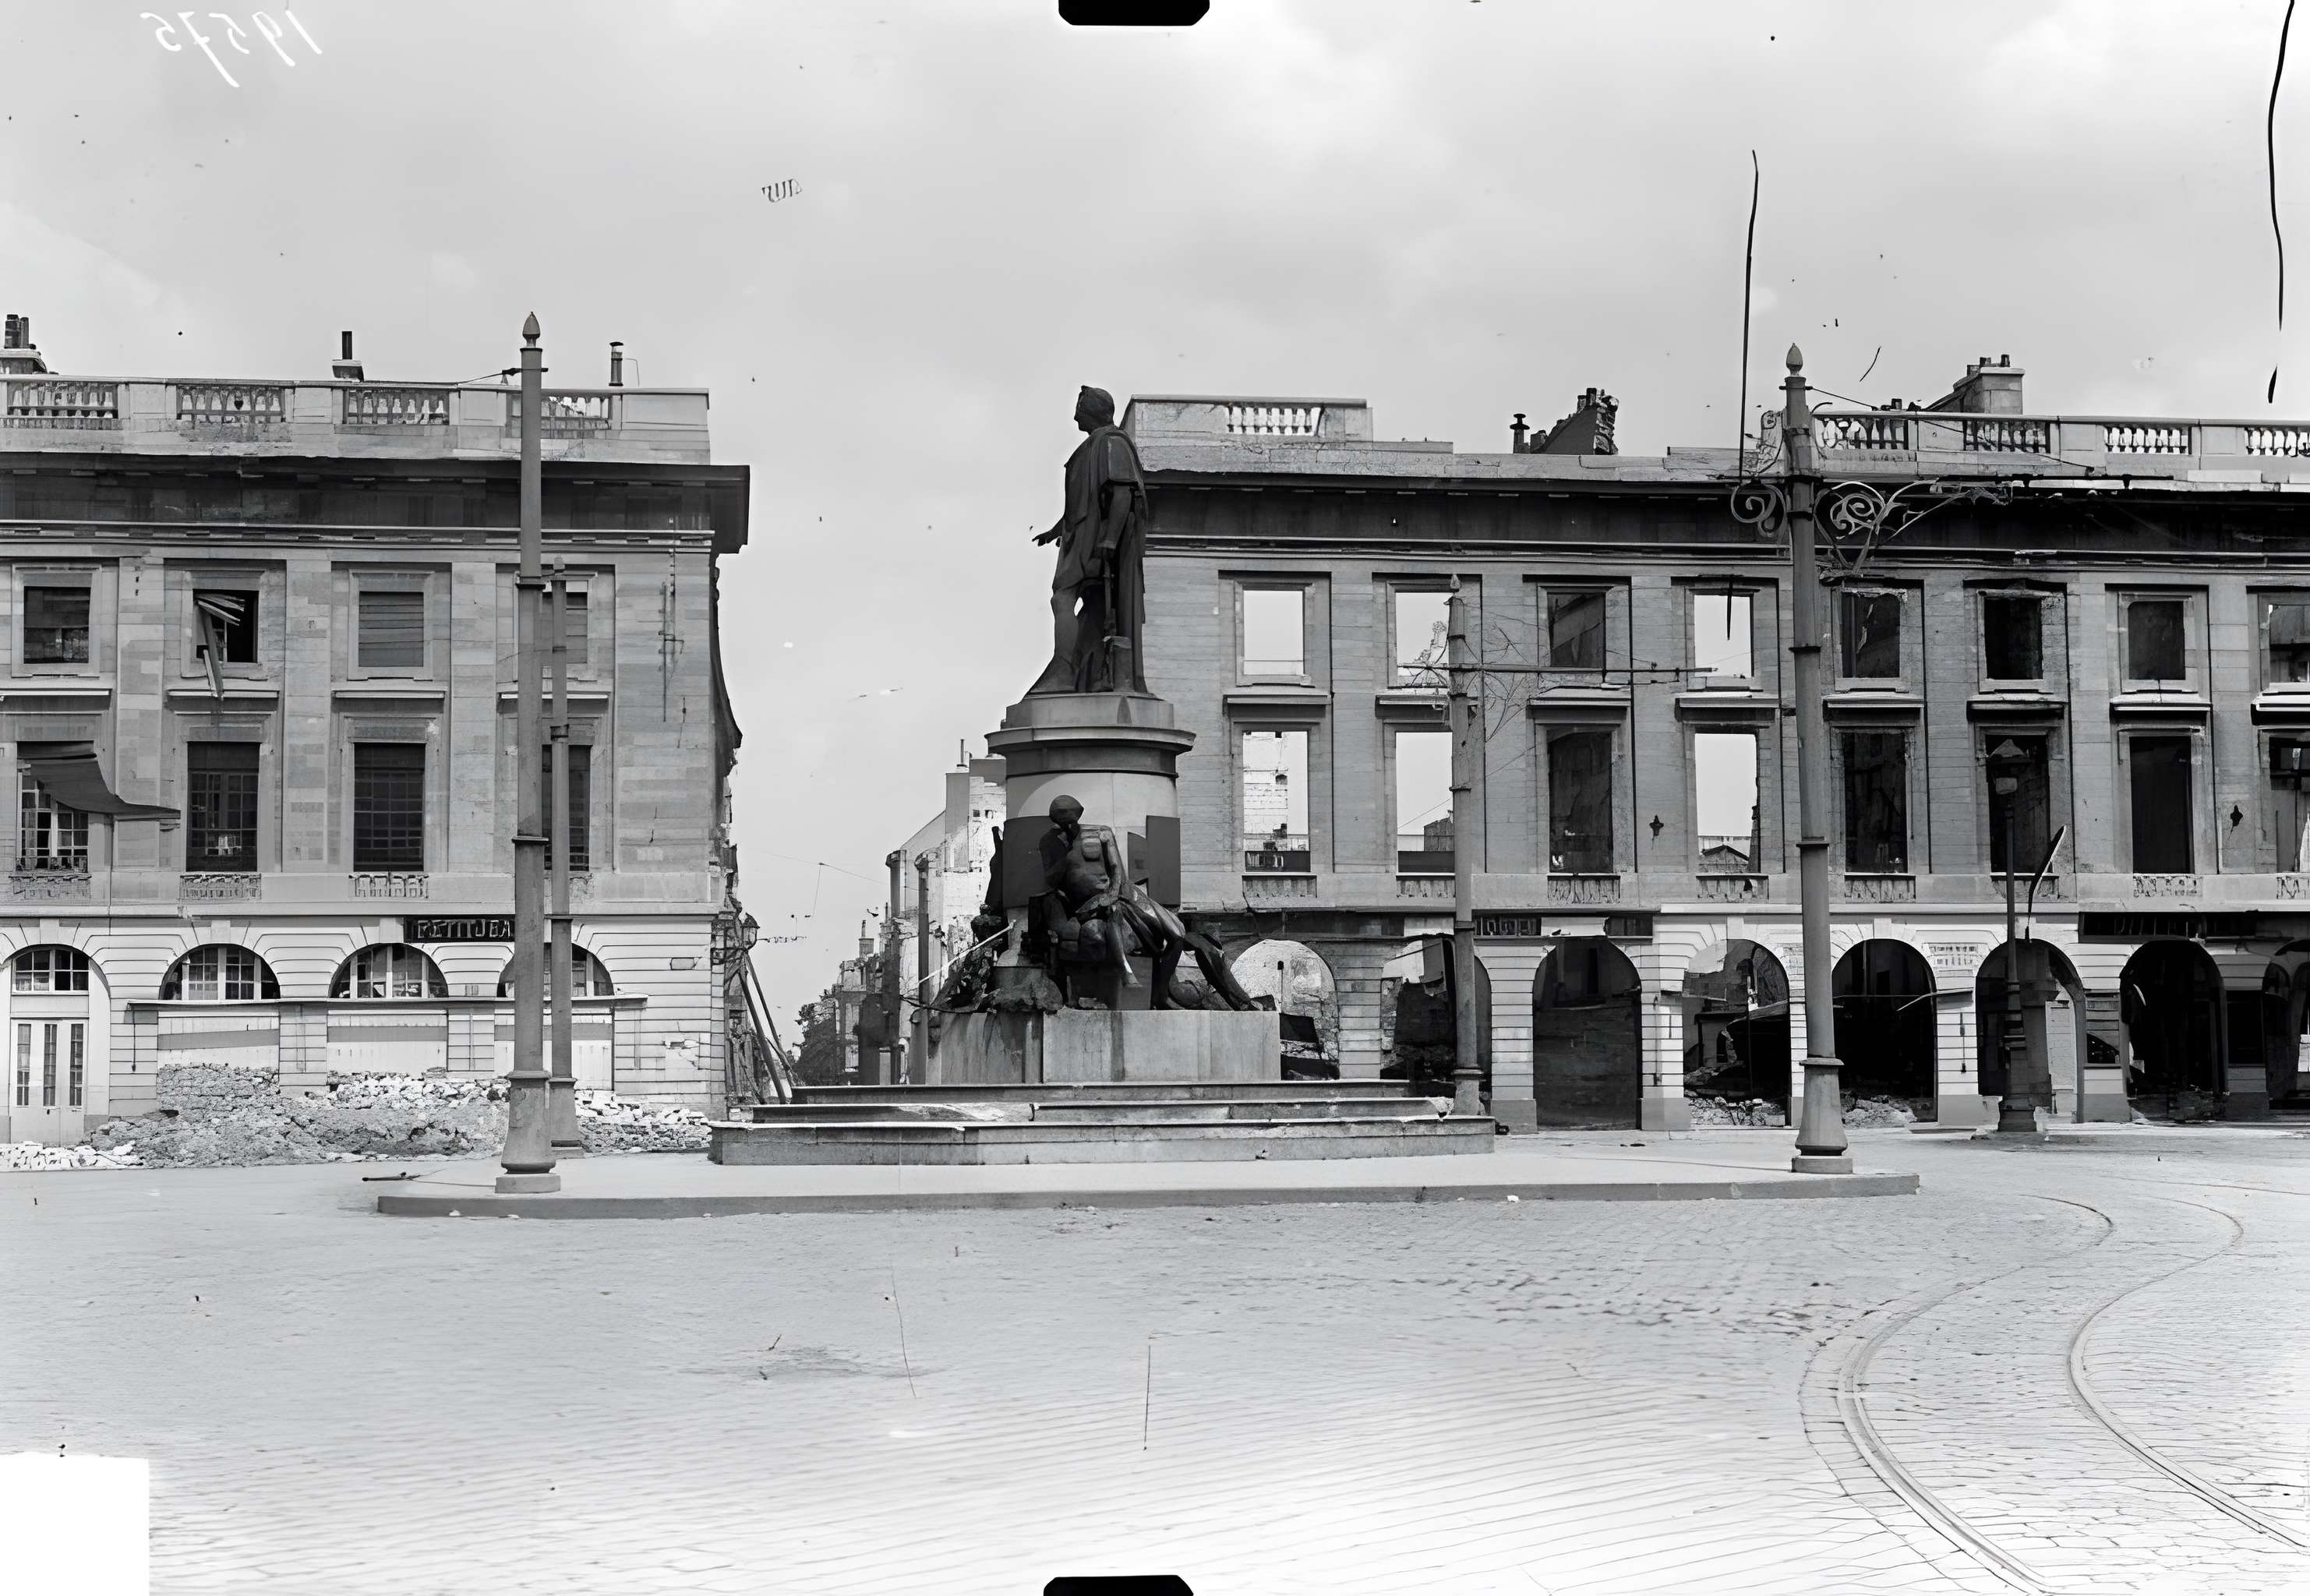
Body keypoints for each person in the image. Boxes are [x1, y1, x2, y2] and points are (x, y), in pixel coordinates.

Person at [1030, 386, 1150, 695]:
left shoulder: (1113, 442)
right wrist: (1057, 529)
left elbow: (1123, 493)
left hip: (1093, 541)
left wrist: (1110, 540)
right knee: (1094, 608)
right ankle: (1092, 672)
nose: (1074, 415)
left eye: (1079, 407)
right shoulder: (1093, 446)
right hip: (1079, 535)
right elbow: (1083, 499)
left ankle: (1064, 668)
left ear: (1093, 409)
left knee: (1062, 598)